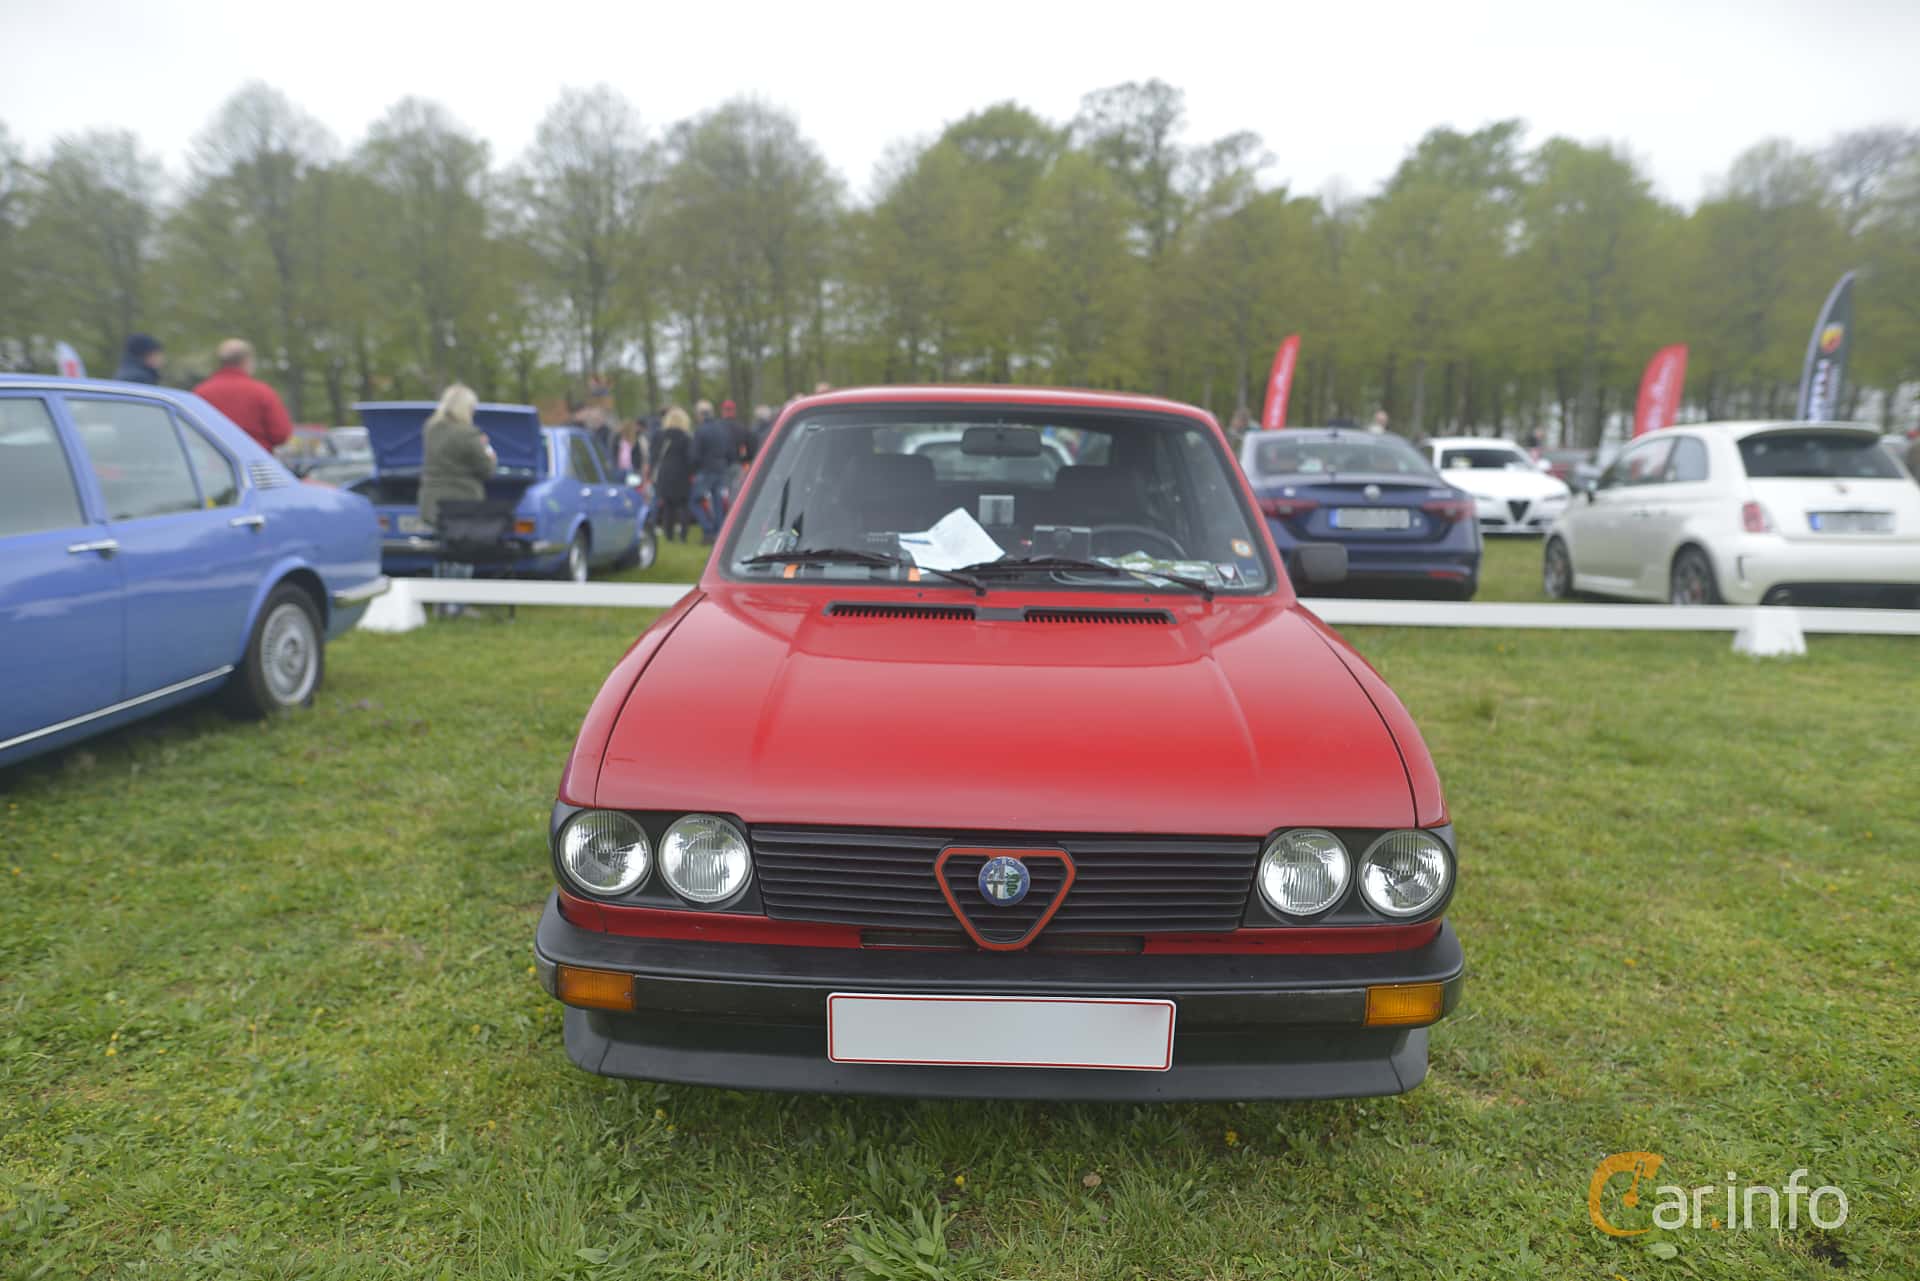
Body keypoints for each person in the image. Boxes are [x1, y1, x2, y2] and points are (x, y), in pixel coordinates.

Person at [419, 384, 496, 611]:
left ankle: (441, 603)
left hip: (432, 502)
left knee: (442, 552)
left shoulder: (431, 429)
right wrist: (490, 454)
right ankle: (458, 604)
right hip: (461, 504)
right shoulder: (468, 434)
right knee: (462, 553)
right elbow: (486, 470)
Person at [192, 339, 293, 452]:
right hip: (254, 460)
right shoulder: (262, 392)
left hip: (211, 461)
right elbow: (280, 434)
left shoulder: (201, 392)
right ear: (247, 361)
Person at [690, 399, 735, 542]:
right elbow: (730, 450)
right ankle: (720, 531)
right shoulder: (722, 428)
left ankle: (708, 529)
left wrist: (694, 468)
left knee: (694, 501)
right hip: (721, 469)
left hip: (706, 470)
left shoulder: (700, 430)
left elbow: (695, 455)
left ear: (700, 414)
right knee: (718, 502)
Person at [652, 407, 695, 541]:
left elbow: (653, 455)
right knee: (683, 506)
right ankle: (683, 535)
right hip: (681, 473)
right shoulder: (686, 437)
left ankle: (668, 535)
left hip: (665, 473)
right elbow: (691, 457)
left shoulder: (660, 436)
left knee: (668, 506)